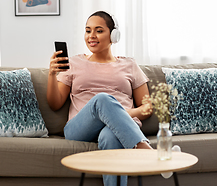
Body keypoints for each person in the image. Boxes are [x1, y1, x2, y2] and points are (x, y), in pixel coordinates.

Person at [47, 11, 153, 186]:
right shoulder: (73, 63)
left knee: (111, 136)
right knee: (102, 99)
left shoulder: (130, 65)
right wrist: (52, 74)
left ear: (113, 35)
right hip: (80, 129)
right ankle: (145, 150)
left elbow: (147, 107)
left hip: (118, 129)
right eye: (88, 31)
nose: (91, 36)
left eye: (99, 30)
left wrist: (119, 114)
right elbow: (55, 103)